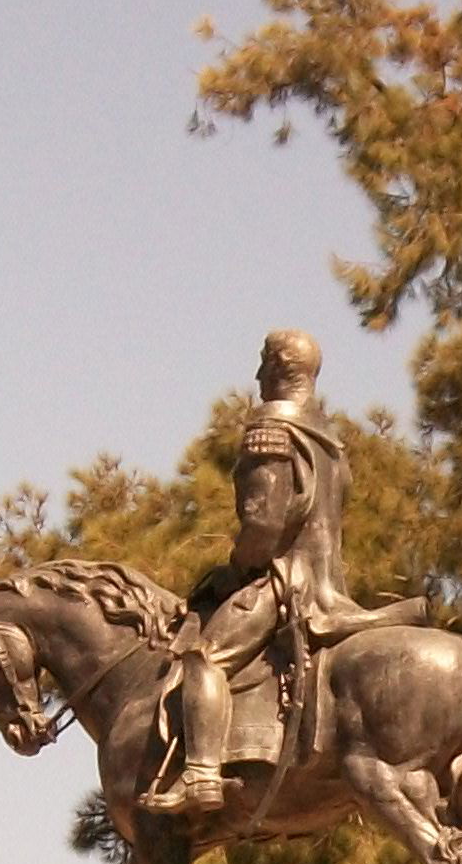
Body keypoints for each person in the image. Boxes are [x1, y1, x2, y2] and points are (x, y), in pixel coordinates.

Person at [140, 330, 427, 816]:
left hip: (284, 584)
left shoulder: (271, 432)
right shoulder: (328, 442)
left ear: (277, 369)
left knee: (202, 658)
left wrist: (235, 571)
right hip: (328, 582)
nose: (256, 376)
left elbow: (264, 522)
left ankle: (203, 775)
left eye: (262, 365)